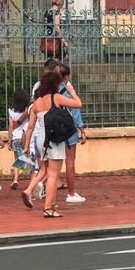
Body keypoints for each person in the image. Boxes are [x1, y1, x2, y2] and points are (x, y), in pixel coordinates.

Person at [18, 66, 79, 217]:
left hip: (41, 138)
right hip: (54, 137)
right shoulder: (56, 97)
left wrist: (26, 146)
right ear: (55, 84)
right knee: (53, 174)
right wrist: (72, 93)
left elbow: (30, 127)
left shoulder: (37, 102)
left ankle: (36, 195)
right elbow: (78, 104)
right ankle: (48, 208)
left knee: (45, 170)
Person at [58, 59, 86, 204]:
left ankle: (39, 186)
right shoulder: (68, 92)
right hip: (68, 130)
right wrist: (82, 129)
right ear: (66, 77)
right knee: (70, 162)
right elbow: (75, 111)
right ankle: (70, 193)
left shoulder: (50, 91)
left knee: (51, 164)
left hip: (53, 130)